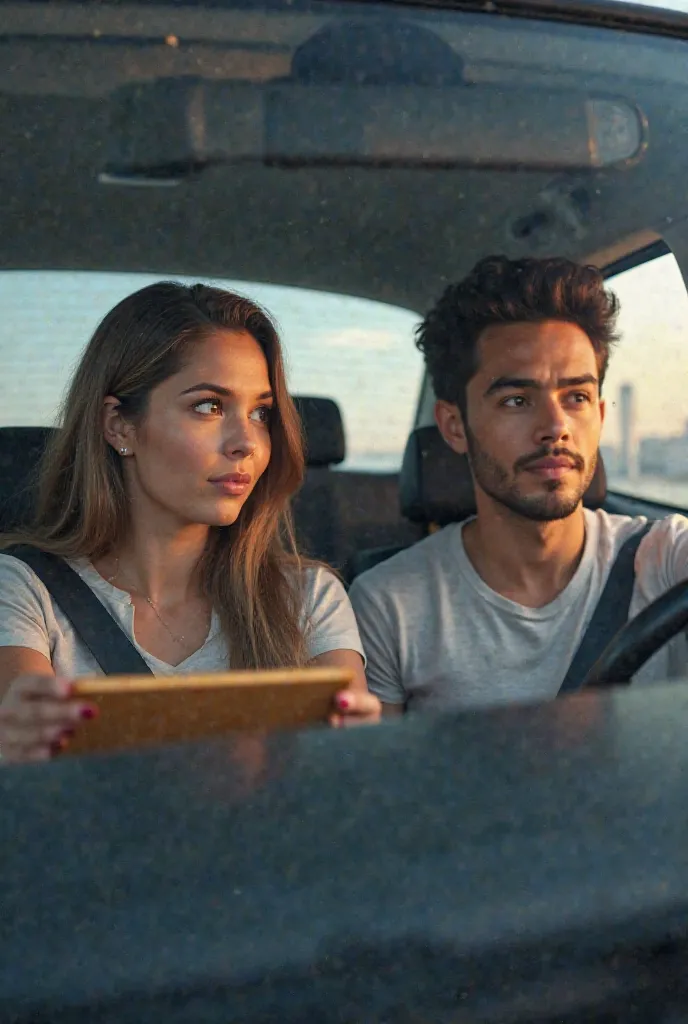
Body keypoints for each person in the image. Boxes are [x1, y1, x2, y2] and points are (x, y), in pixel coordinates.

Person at [0, 282, 380, 763]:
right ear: (119, 426)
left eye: (261, 412)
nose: (247, 442)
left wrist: (360, 754)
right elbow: (30, 750)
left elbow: (345, 784)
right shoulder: (24, 590)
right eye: (209, 406)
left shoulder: (308, 596)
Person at [349, 255, 688, 714]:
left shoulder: (665, 558)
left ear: (601, 417)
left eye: (577, 397)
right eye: (516, 400)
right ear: (453, 426)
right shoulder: (389, 605)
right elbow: (378, 778)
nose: (556, 426)